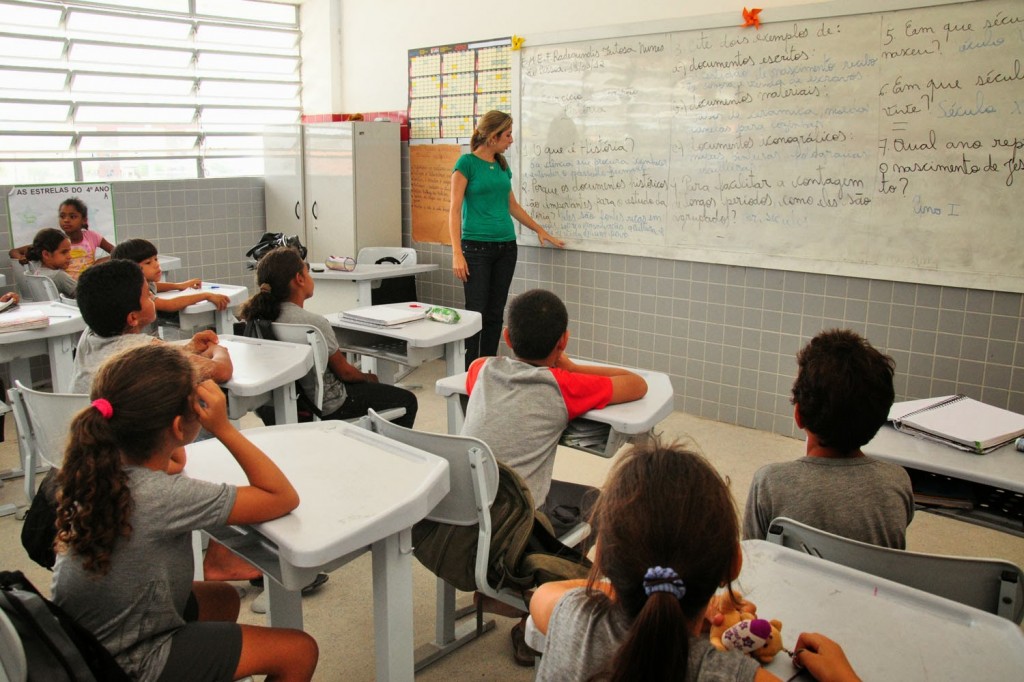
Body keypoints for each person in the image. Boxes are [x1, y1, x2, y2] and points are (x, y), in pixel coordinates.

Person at [51, 343, 319, 682]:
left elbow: (172, 462)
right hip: (128, 665)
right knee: (299, 651)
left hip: (84, 648)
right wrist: (223, 427)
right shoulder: (161, 497)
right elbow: (280, 497)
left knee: (221, 600)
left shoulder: (98, 466)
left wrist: (172, 437)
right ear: (178, 428)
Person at [530, 440, 862, 682]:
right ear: (733, 564)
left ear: (601, 555)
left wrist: (654, 589)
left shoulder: (574, 619)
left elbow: (544, 596)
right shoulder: (733, 676)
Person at [463, 288, 647, 537]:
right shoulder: (562, 385)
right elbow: (637, 384)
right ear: (564, 341)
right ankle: (555, 558)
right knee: (599, 503)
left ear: (507, 337)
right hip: (521, 525)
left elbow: (477, 362)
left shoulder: (483, 371)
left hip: (468, 512)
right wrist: (573, 367)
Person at [742, 329, 913, 548]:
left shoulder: (770, 484)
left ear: (798, 415)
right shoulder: (896, 482)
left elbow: (753, 555)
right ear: (879, 418)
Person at [237, 246, 418, 428]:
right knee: (408, 401)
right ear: (299, 279)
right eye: (307, 272)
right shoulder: (313, 323)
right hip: (326, 406)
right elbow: (346, 373)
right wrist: (368, 377)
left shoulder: (255, 319)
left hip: (277, 408)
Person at [449, 110, 566, 370]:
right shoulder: (466, 164)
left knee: (495, 313)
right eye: (508, 135)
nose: (511, 140)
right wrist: (457, 253)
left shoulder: (502, 165)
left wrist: (540, 229)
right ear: (493, 136)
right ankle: (471, 370)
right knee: (476, 313)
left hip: (506, 248)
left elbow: (511, 204)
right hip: (476, 249)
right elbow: (454, 210)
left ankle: (488, 367)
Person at [70, 259, 232, 394]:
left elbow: (165, 353)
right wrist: (219, 350)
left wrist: (190, 347)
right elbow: (222, 371)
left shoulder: (90, 332)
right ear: (133, 318)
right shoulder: (144, 350)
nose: (152, 297)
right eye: (148, 294)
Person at [111, 238, 229, 313]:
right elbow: (170, 305)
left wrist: (179, 286)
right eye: (148, 262)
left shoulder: (142, 284)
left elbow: (156, 286)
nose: (156, 265)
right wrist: (206, 295)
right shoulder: (138, 292)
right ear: (130, 269)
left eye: (156, 259)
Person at [9, 197, 113, 279]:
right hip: (65, 288)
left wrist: (98, 263)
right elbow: (13, 251)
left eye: (72, 216)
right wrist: (20, 258)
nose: (66, 220)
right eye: (62, 216)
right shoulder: (55, 240)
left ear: (84, 220)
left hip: (88, 284)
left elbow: (117, 252)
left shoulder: (92, 236)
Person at [24, 227, 77, 298]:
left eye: (69, 251)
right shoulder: (59, 276)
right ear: (46, 254)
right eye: (64, 252)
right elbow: (87, 296)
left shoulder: (37, 272)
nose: (69, 256)